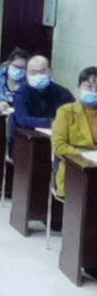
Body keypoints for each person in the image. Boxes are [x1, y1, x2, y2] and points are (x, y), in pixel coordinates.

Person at [52, 66, 97, 199]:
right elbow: (58, 146)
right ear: (78, 87)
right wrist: (84, 155)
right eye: (88, 87)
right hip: (74, 169)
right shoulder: (66, 112)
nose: (93, 91)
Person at [10, 55, 75, 144]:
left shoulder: (62, 93)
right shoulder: (21, 93)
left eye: (42, 71)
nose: (38, 76)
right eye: (33, 72)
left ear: (50, 72)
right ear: (27, 74)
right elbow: (23, 120)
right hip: (25, 140)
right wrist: (53, 122)